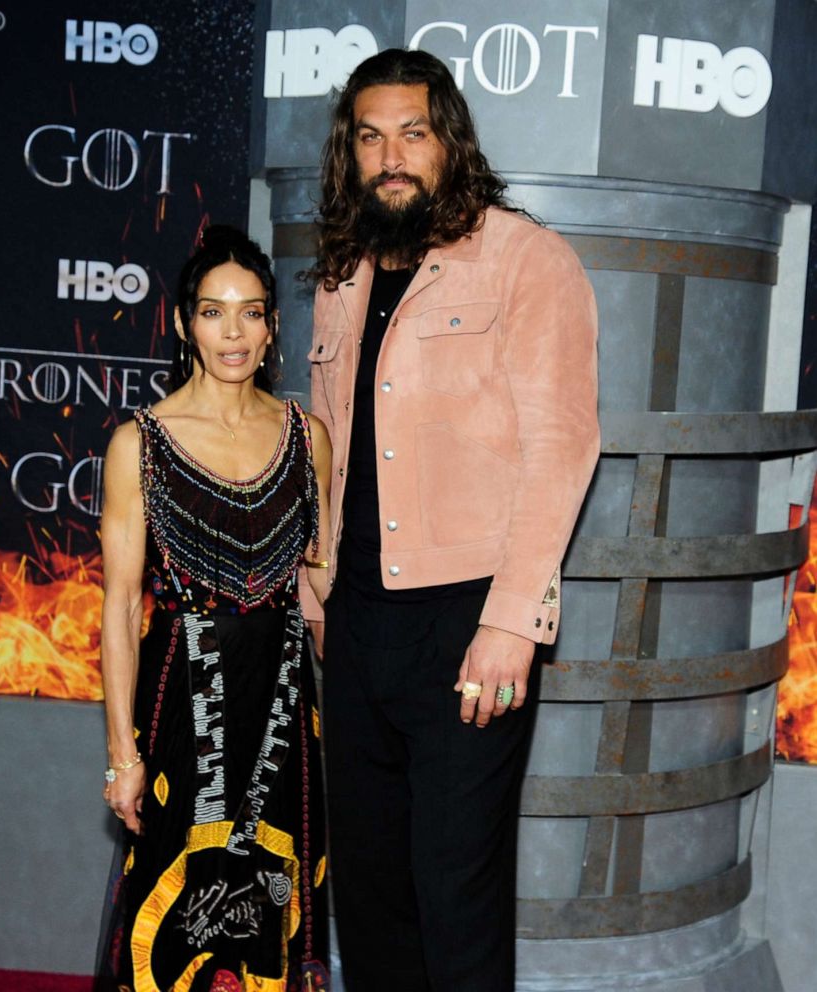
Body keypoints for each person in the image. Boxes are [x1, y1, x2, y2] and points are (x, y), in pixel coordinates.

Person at [303, 49, 600, 991]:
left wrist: (513, 621)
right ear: (349, 155)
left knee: (454, 890)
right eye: (370, 137)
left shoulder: (527, 260)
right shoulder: (342, 274)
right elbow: (325, 440)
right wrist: (315, 589)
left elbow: (562, 446)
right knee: (372, 890)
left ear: (449, 142)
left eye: (413, 134)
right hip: (353, 622)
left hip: (468, 627)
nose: (391, 155)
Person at [96, 226, 332, 992]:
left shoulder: (309, 437)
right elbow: (121, 606)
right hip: (179, 709)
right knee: (172, 913)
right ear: (182, 323)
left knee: (271, 902)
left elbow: (321, 588)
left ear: (270, 327)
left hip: (282, 708)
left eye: (253, 312)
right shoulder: (141, 444)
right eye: (213, 311)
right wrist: (123, 758)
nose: (233, 332)